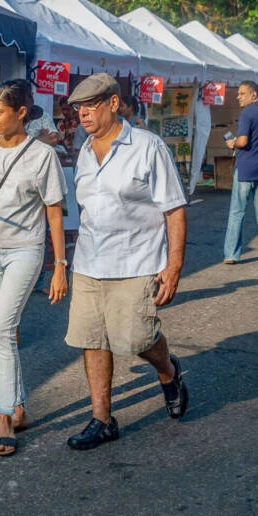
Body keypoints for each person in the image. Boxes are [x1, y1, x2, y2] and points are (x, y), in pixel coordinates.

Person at [63, 73, 189, 450]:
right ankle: (102, 419)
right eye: (78, 109)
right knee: (92, 338)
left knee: (137, 338)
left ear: (113, 104)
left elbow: (175, 210)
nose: (82, 115)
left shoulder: (148, 147)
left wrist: (174, 265)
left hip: (137, 261)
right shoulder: (84, 150)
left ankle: (168, 371)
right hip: (89, 262)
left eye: (90, 106)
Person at [0, 79, 68, 457]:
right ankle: (18, 408)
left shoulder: (42, 156)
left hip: (26, 250)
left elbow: (54, 212)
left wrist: (60, 265)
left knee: (1, 329)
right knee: (2, 332)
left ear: (22, 113)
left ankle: (4, 416)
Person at [223, 80, 258, 265]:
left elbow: (243, 141)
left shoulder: (247, 113)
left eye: (242, 93)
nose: (238, 97)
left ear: (254, 94)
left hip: (246, 168)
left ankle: (232, 254)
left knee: (237, 211)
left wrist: (233, 143)